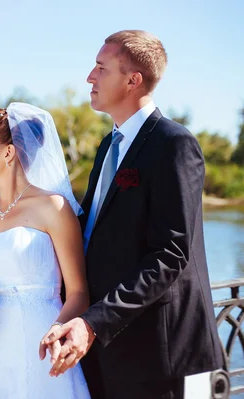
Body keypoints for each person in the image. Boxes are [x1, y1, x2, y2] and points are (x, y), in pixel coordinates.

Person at [42, 30, 224, 399]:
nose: (89, 77)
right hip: (114, 351)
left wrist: (92, 324)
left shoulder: (174, 144)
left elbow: (170, 255)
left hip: (168, 354)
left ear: (132, 80)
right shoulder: (109, 145)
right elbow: (93, 233)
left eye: (100, 68)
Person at [0, 102, 91, 398]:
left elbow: (79, 292)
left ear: (8, 152)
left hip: (43, 340)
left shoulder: (53, 207)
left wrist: (57, 331)